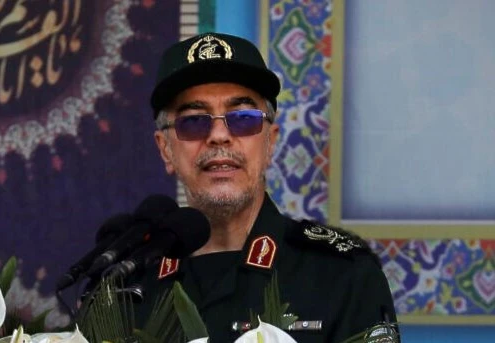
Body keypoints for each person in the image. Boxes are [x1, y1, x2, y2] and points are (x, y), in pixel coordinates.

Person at [132, 32, 399, 343]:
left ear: (270, 142)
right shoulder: (128, 286)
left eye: (243, 119)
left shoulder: (342, 274)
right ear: (166, 149)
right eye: (194, 121)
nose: (219, 136)